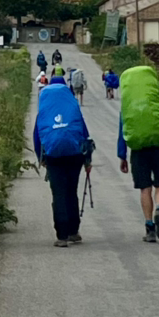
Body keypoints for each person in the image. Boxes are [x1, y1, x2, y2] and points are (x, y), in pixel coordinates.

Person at [117, 65, 159, 243]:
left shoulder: (130, 102)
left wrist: (122, 154)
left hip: (139, 150)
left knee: (145, 188)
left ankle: (149, 228)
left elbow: (123, 127)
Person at [33, 74, 93, 247]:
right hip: (75, 155)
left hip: (53, 157)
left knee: (58, 194)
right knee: (71, 191)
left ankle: (62, 235)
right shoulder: (72, 107)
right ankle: (74, 231)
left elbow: (37, 137)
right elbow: (84, 134)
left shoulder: (44, 111)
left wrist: (41, 158)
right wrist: (87, 160)